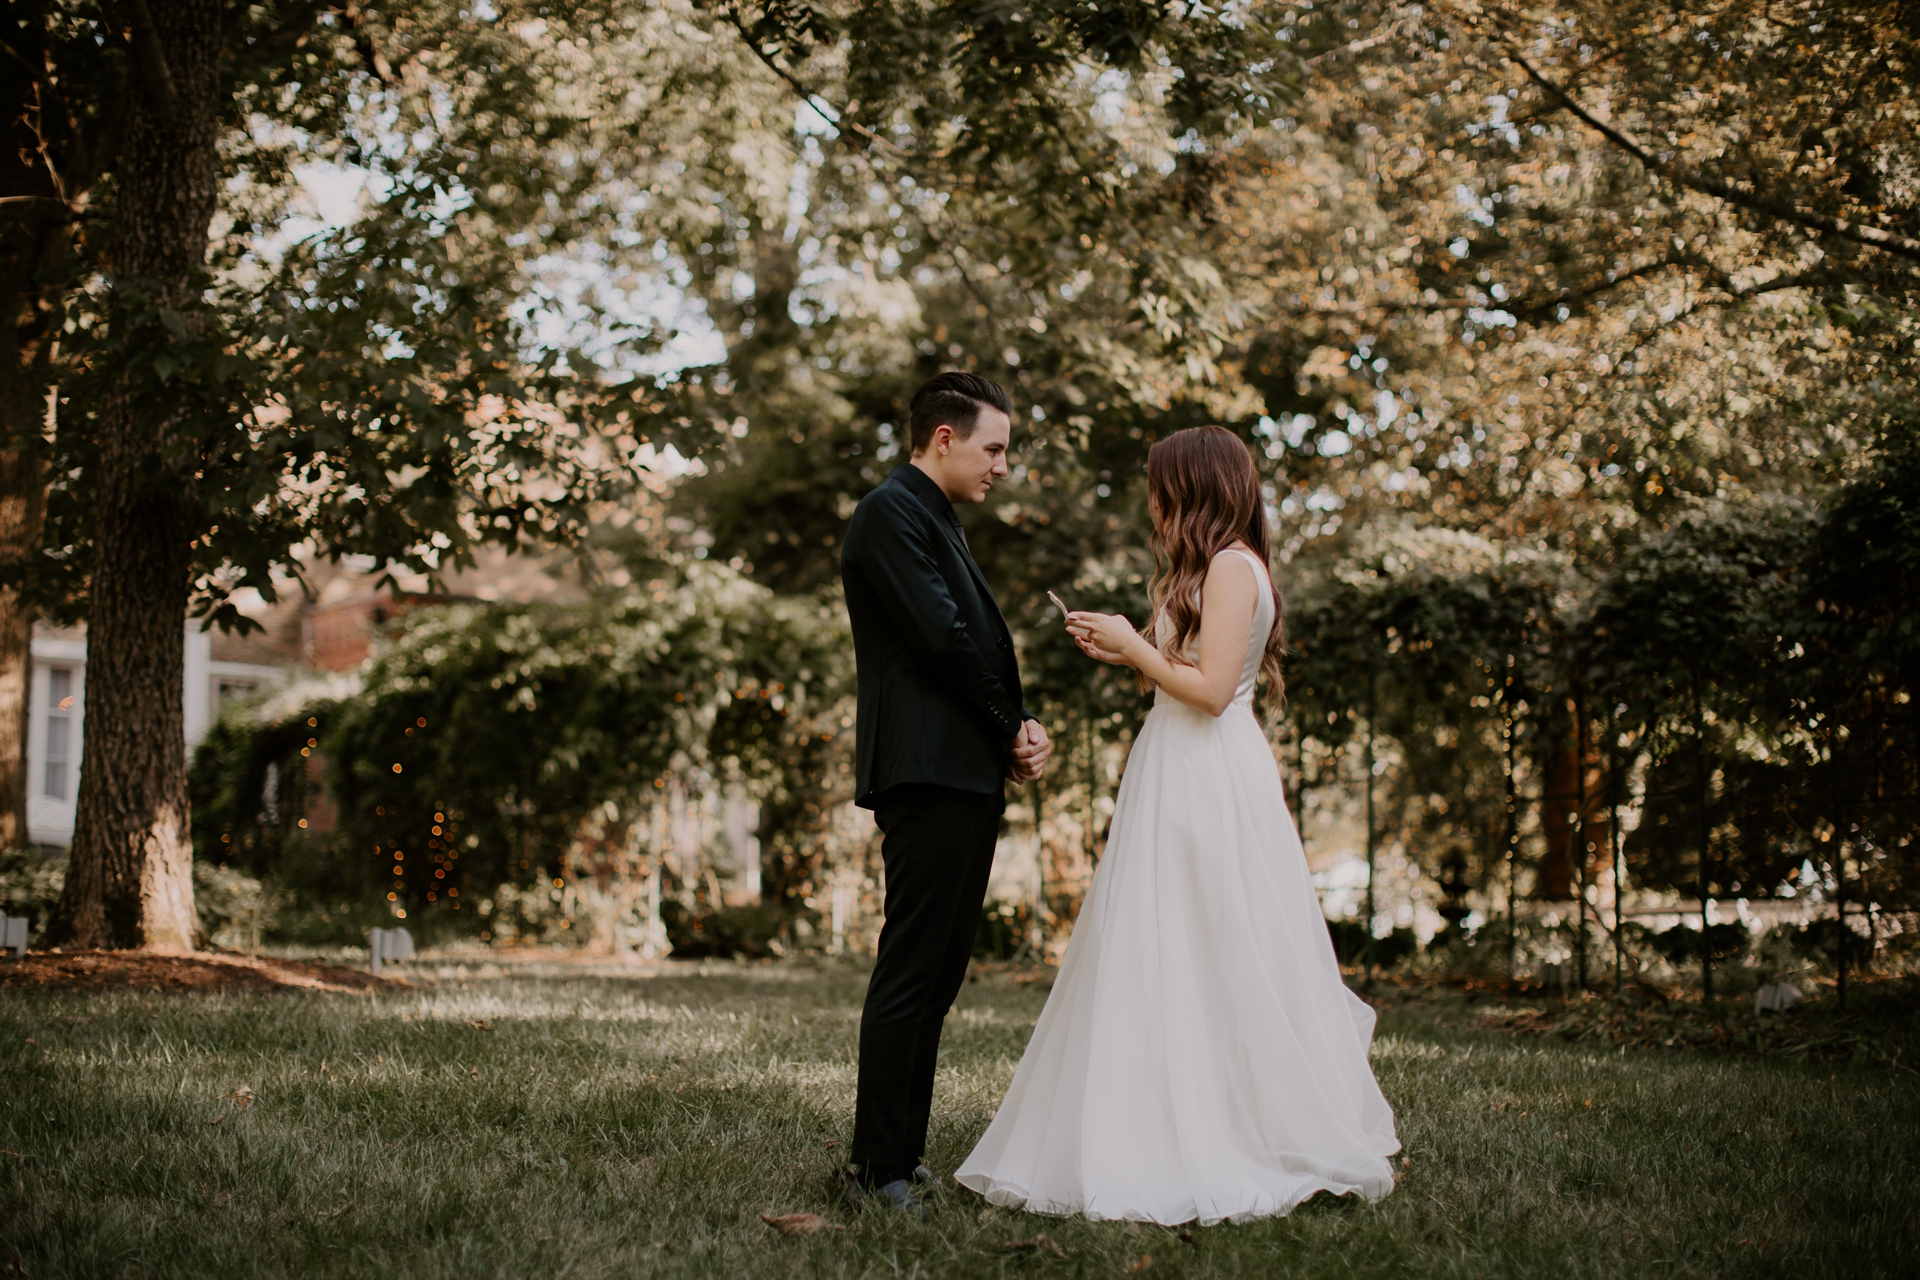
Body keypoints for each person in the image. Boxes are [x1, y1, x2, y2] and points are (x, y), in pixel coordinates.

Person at [955, 425, 1399, 1225]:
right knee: (1170, 940)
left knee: (1208, 937)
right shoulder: (1216, 568)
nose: (1153, 502)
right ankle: (1159, 1110)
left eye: (1161, 486)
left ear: (1193, 488)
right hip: (1177, 761)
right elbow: (1184, 678)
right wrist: (1126, 651)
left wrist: (1135, 644)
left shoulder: (1230, 566)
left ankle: (1220, 1126)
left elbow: (1213, 690)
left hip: (1205, 769)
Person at [839, 370, 1052, 1217]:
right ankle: (874, 1172)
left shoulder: (935, 519)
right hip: (926, 772)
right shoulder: (889, 513)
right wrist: (1010, 723)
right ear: (943, 438)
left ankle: (901, 1156)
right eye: (993, 449)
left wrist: (1016, 728)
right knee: (911, 970)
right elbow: (944, 638)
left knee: (938, 977)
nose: (1001, 465)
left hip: (962, 773)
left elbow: (970, 645)